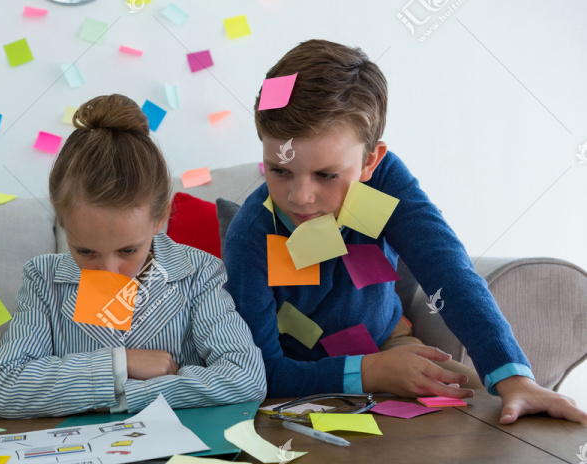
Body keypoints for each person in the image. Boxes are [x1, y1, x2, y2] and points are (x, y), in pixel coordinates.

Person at [224, 39, 586, 425]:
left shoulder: (383, 183)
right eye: (279, 171)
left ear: (370, 162)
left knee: (486, 406)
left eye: (326, 175)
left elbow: (446, 269)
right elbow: (260, 372)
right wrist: (370, 372)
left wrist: (513, 376)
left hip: (391, 343)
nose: (300, 197)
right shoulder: (252, 235)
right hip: (301, 377)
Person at [0, 94, 266, 418]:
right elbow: (5, 388)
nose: (109, 271)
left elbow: (245, 377)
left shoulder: (198, 273)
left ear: (161, 218)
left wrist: (124, 395)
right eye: (85, 251)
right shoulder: (43, 280)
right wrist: (121, 362)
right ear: (62, 224)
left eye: (127, 250)